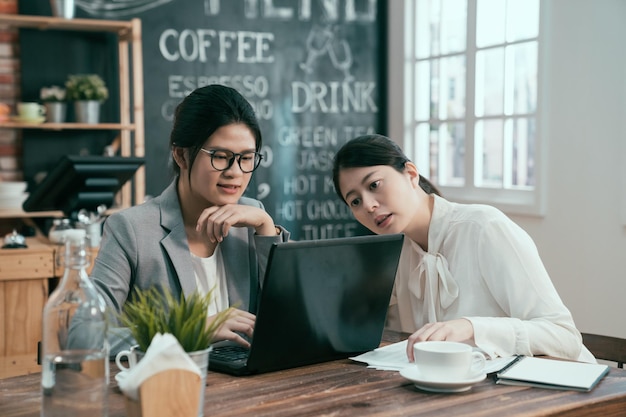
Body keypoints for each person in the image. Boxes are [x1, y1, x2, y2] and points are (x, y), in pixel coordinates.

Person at [332, 134, 594, 363]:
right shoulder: (397, 252)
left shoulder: (484, 227)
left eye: (374, 185)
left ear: (411, 174)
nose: (368, 205)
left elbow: (564, 337)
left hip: (565, 391)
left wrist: (470, 327)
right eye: (354, 201)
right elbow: (347, 311)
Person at [91, 84, 289, 355]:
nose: (235, 172)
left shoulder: (252, 219)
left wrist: (266, 228)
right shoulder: (131, 230)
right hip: (171, 387)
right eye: (221, 157)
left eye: (246, 158)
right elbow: (84, 336)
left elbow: (294, 316)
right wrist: (193, 331)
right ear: (181, 155)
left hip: (250, 387)